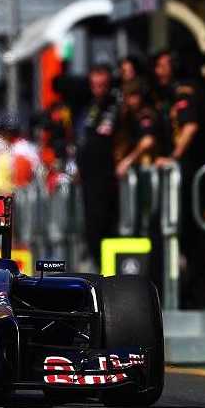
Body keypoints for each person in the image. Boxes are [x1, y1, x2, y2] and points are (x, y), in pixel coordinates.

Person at [151, 50, 205, 306]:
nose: (158, 71)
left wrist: (174, 157)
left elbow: (190, 126)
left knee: (185, 234)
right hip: (184, 173)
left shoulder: (184, 92)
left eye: (163, 66)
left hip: (187, 173)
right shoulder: (169, 94)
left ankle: (191, 295)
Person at [75, 64, 120, 267]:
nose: (99, 89)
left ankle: (111, 274)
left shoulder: (117, 106)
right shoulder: (89, 110)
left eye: (103, 85)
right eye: (95, 85)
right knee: (91, 228)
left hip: (108, 178)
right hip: (89, 179)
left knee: (107, 227)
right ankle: (99, 270)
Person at [115, 79, 159, 177]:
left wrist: (128, 161)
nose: (132, 101)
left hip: (148, 171)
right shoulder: (128, 117)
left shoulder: (145, 115)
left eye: (135, 96)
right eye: (128, 96)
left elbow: (148, 141)